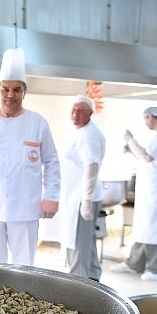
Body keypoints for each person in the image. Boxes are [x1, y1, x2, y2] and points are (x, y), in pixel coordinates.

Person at [0, 48, 60, 266]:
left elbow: (52, 162)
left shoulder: (38, 123)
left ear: (24, 92)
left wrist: (51, 197)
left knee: (24, 265)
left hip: (26, 207)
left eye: (16, 89)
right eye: (5, 89)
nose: (10, 95)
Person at [111, 106, 157, 281]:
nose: (145, 122)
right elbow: (146, 161)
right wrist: (131, 151)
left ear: (150, 117)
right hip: (148, 190)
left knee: (153, 228)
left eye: (145, 119)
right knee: (143, 227)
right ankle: (135, 262)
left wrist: (131, 140)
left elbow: (148, 157)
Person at [59, 96, 106, 281]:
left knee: (79, 244)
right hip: (75, 196)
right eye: (73, 110)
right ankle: (93, 278)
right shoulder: (80, 132)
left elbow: (91, 166)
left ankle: (79, 284)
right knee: (86, 241)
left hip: (83, 198)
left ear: (90, 113)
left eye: (80, 111)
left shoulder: (90, 135)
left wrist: (86, 199)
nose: (75, 114)